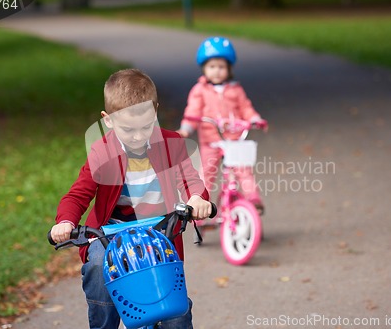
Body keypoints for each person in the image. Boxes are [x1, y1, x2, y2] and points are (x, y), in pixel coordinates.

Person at [50, 68, 211, 329]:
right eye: (128, 129)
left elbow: (190, 179)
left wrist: (196, 199)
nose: (138, 137)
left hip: (159, 232)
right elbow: (78, 194)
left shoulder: (172, 144)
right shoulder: (102, 152)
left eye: (146, 127)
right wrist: (66, 221)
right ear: (108, 120)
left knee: (174, 312)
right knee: (98, 264)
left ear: (155, 111)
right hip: (111, 232)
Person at [177, 36, 267, 215]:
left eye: (221, 67)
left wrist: (255, 119)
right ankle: (200, 209)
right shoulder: (200, 90)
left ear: (229, 68)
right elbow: (193, 113)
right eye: (212, 67)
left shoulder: (235, 89)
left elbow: (246, 108)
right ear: (204, 68)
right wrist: (186, 129)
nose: (216, 71)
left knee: (243, 170)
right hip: (211, 142)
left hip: (234, 140)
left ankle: (252, 199)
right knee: (207, 176)